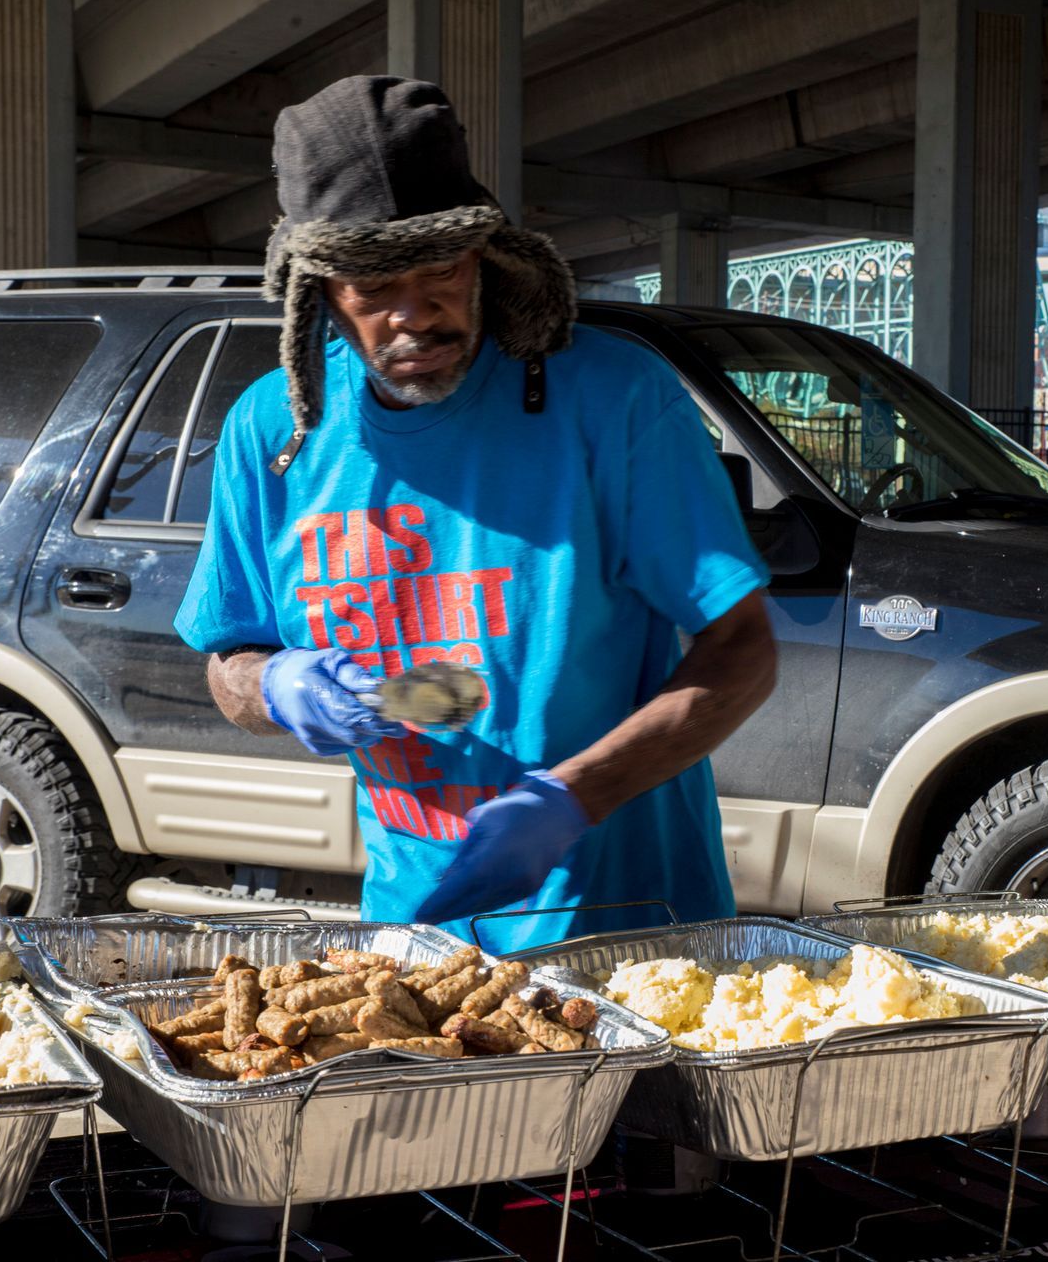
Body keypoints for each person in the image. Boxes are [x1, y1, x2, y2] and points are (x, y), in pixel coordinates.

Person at [174, 76, 776, 950]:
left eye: (442, 271)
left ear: (488, 256)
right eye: (372, 288)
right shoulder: (276, 428)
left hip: (633, 938)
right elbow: (230, 662)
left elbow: (745, 652)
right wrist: (275, 684)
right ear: (318, 290)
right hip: (420, 933)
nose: (414, 314)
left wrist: (576, 797)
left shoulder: (612, 401)